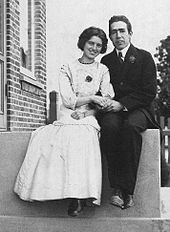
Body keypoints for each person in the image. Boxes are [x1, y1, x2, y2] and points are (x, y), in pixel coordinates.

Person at [14, 26, 114, 217]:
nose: (93, 48)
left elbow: (108, 96)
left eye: (98, 45)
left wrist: (90, 109)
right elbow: (68, 100)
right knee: (57, 139)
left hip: (89, 116)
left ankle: (82, 195)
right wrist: (93, 97)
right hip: (68, 114)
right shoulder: (67, 67)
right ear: (83, 43)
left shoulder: (103, 69)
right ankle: (67, 193)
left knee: (84, 136)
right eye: (91, 43)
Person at [97, 15, 162, 209]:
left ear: (130, 33)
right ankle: (116, 188)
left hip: (140, 109)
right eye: (114, 32)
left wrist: (122, 104)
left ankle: (128, 190)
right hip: (114, 110)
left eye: (122, 31)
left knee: (131, 127)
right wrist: (107, 104)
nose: (118, 35)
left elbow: (149, 92)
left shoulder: (144, 57)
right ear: (110, 36)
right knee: (109, 126)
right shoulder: (106, 60)